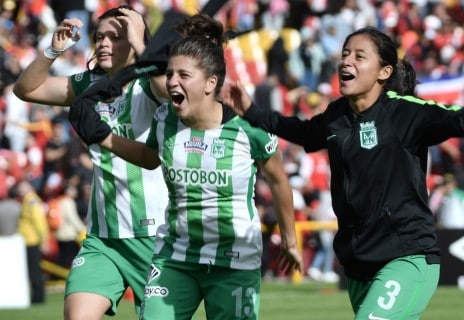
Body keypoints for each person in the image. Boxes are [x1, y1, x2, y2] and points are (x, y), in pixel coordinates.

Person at [222, 26, 464, 319]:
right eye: (345, 54)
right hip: (358, 264)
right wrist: (252, 112)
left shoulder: (405, 113)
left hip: (408, 256)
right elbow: (305, 132)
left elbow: (462, 120)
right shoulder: (336, 116)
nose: (347, 61)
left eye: (360, 56)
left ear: (383, 72)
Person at [69, 13, 303, 320]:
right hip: (175, 258)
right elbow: (148, 158)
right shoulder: (165, 118)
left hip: (233, 261)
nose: (172, 82)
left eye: (183, 75)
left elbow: (278, 179)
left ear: (211, 83)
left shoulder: (250, 126)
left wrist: (289, 240)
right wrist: (103, 137)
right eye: (170, 74)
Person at [13, 6, 169, 319]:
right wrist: (53, 49)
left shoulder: (152, 84)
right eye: (100, 37)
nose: (105, 43)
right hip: (103, 239)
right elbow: (26, 89)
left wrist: (141, 46)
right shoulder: (88, 85)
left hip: (157, 239)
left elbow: (171, 91)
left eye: (116, 37)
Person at [14, 179, 49, 304]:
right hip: (28, 240)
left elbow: (39, 221)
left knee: (35, 271)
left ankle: (38, 298)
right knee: (32, 270)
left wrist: (43, 240)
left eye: (23, 186)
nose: (20, 189)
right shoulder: (26, 200)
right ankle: (36, 297)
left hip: (32, 240)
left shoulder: (32, 201)